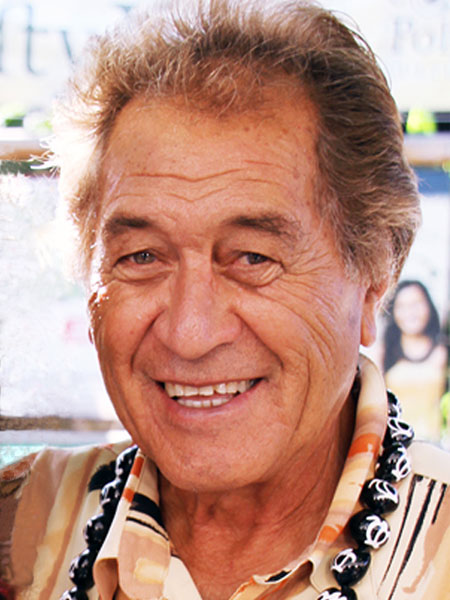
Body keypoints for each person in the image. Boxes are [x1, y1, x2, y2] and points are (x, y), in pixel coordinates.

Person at [1, 1, 449, 599]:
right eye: (142, 257)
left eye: (253, 258)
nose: (190, 333)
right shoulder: (20, 526)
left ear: (373, 276)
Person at [382, 280, 448, 443]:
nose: (410, 313)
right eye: (402, 306)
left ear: (428, 306)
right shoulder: (384, 352)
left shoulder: (443, 352)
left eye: (416, 304)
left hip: (437, 444)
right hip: (396, 444)